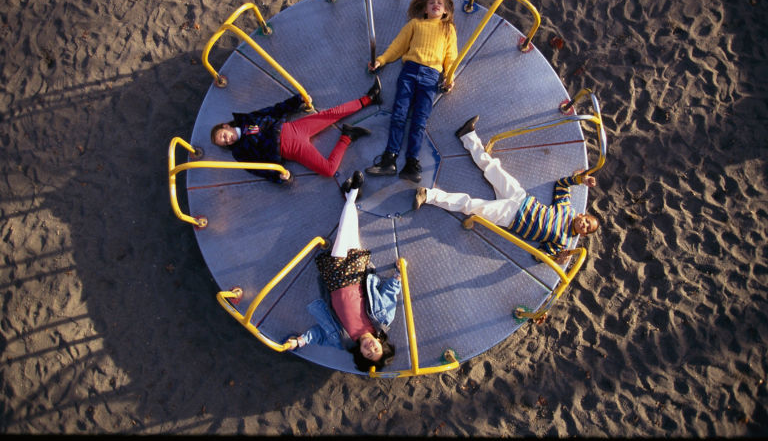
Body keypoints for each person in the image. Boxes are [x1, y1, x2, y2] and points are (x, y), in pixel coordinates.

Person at [413, 115, 600, 263]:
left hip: (513, 218)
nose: (584, 225)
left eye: (587, 228)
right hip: (521, 198)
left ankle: (428, 195)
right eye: (587, 221)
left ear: (583, 234)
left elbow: (538, 255)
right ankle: (467, 136)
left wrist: (556, 259)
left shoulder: (563, 242)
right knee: (492, 168)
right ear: (582, 215)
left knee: (471, 205)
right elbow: (561, 185)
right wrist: (580, 180)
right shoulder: (567, 210)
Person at [285, 171, 402, 372]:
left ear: (360, 354)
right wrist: (398, 277)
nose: (370, 348)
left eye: (368, 353)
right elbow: (388, 294)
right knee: (350, 231)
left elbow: (320, 334)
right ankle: (351, 194)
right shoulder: (382, 320)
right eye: (376, 349)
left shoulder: (343, 339)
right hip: (357, 275)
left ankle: (352, 193)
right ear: (380, 342)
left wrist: (300, 341)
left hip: (335, 280)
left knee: (343, 233)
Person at [365, 0, 459, 183]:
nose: (435, 4)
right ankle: (389, 159)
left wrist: (449, 77)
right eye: (431, 2)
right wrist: (381, 60)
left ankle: (411, 163)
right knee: (399, 114)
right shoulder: (415, 24)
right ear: (425, 9)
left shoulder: (448, 29)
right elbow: (398, 46)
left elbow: (451, 56)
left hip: (431, 76)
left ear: (445, 12)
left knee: (419, 120)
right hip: (409, 71)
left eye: (440, 3)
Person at [210, 78, 382, 183]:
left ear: (226, 126)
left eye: (223, 136)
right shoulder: (240, 152)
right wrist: (280, 177)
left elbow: (273, 111)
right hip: (290, 149)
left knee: (330, 114)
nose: (227, 140)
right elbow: (258, 169)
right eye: (224, 143)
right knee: (329, 170)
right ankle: (347, 136)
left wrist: (297, 100)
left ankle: (369, 98)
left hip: (290, 129)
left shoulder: (246, 120)